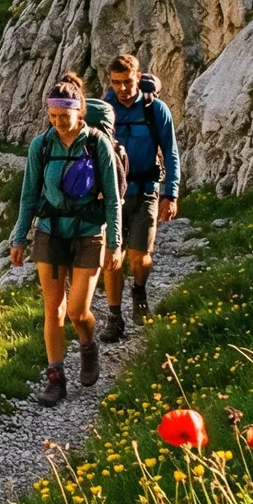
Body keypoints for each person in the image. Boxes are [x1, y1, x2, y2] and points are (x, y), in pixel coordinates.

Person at [8, 73, 123, 407]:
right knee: (53, 308)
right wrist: (19, 237)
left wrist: (114, 241)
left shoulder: (96, 143)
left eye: (64, 116)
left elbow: (113, 198)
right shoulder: (41, 145)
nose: (57, 122)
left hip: (88, 232)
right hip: (50, 231)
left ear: (80, 112)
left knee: (77, 311)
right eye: (52, 116)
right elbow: (29, 195)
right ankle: (56, 377)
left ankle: (88, 343)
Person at [100, 53, 181, 341]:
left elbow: (170, 152)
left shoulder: (155, 110)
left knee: (140, 256)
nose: (122, 88)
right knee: (113, 256)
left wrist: (170, 193)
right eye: (116, 83)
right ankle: (114, 316)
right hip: (112, 194)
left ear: (138, 77)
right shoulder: (104, 111)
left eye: (127, 82)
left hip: (146, 189)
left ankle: (138, 289)